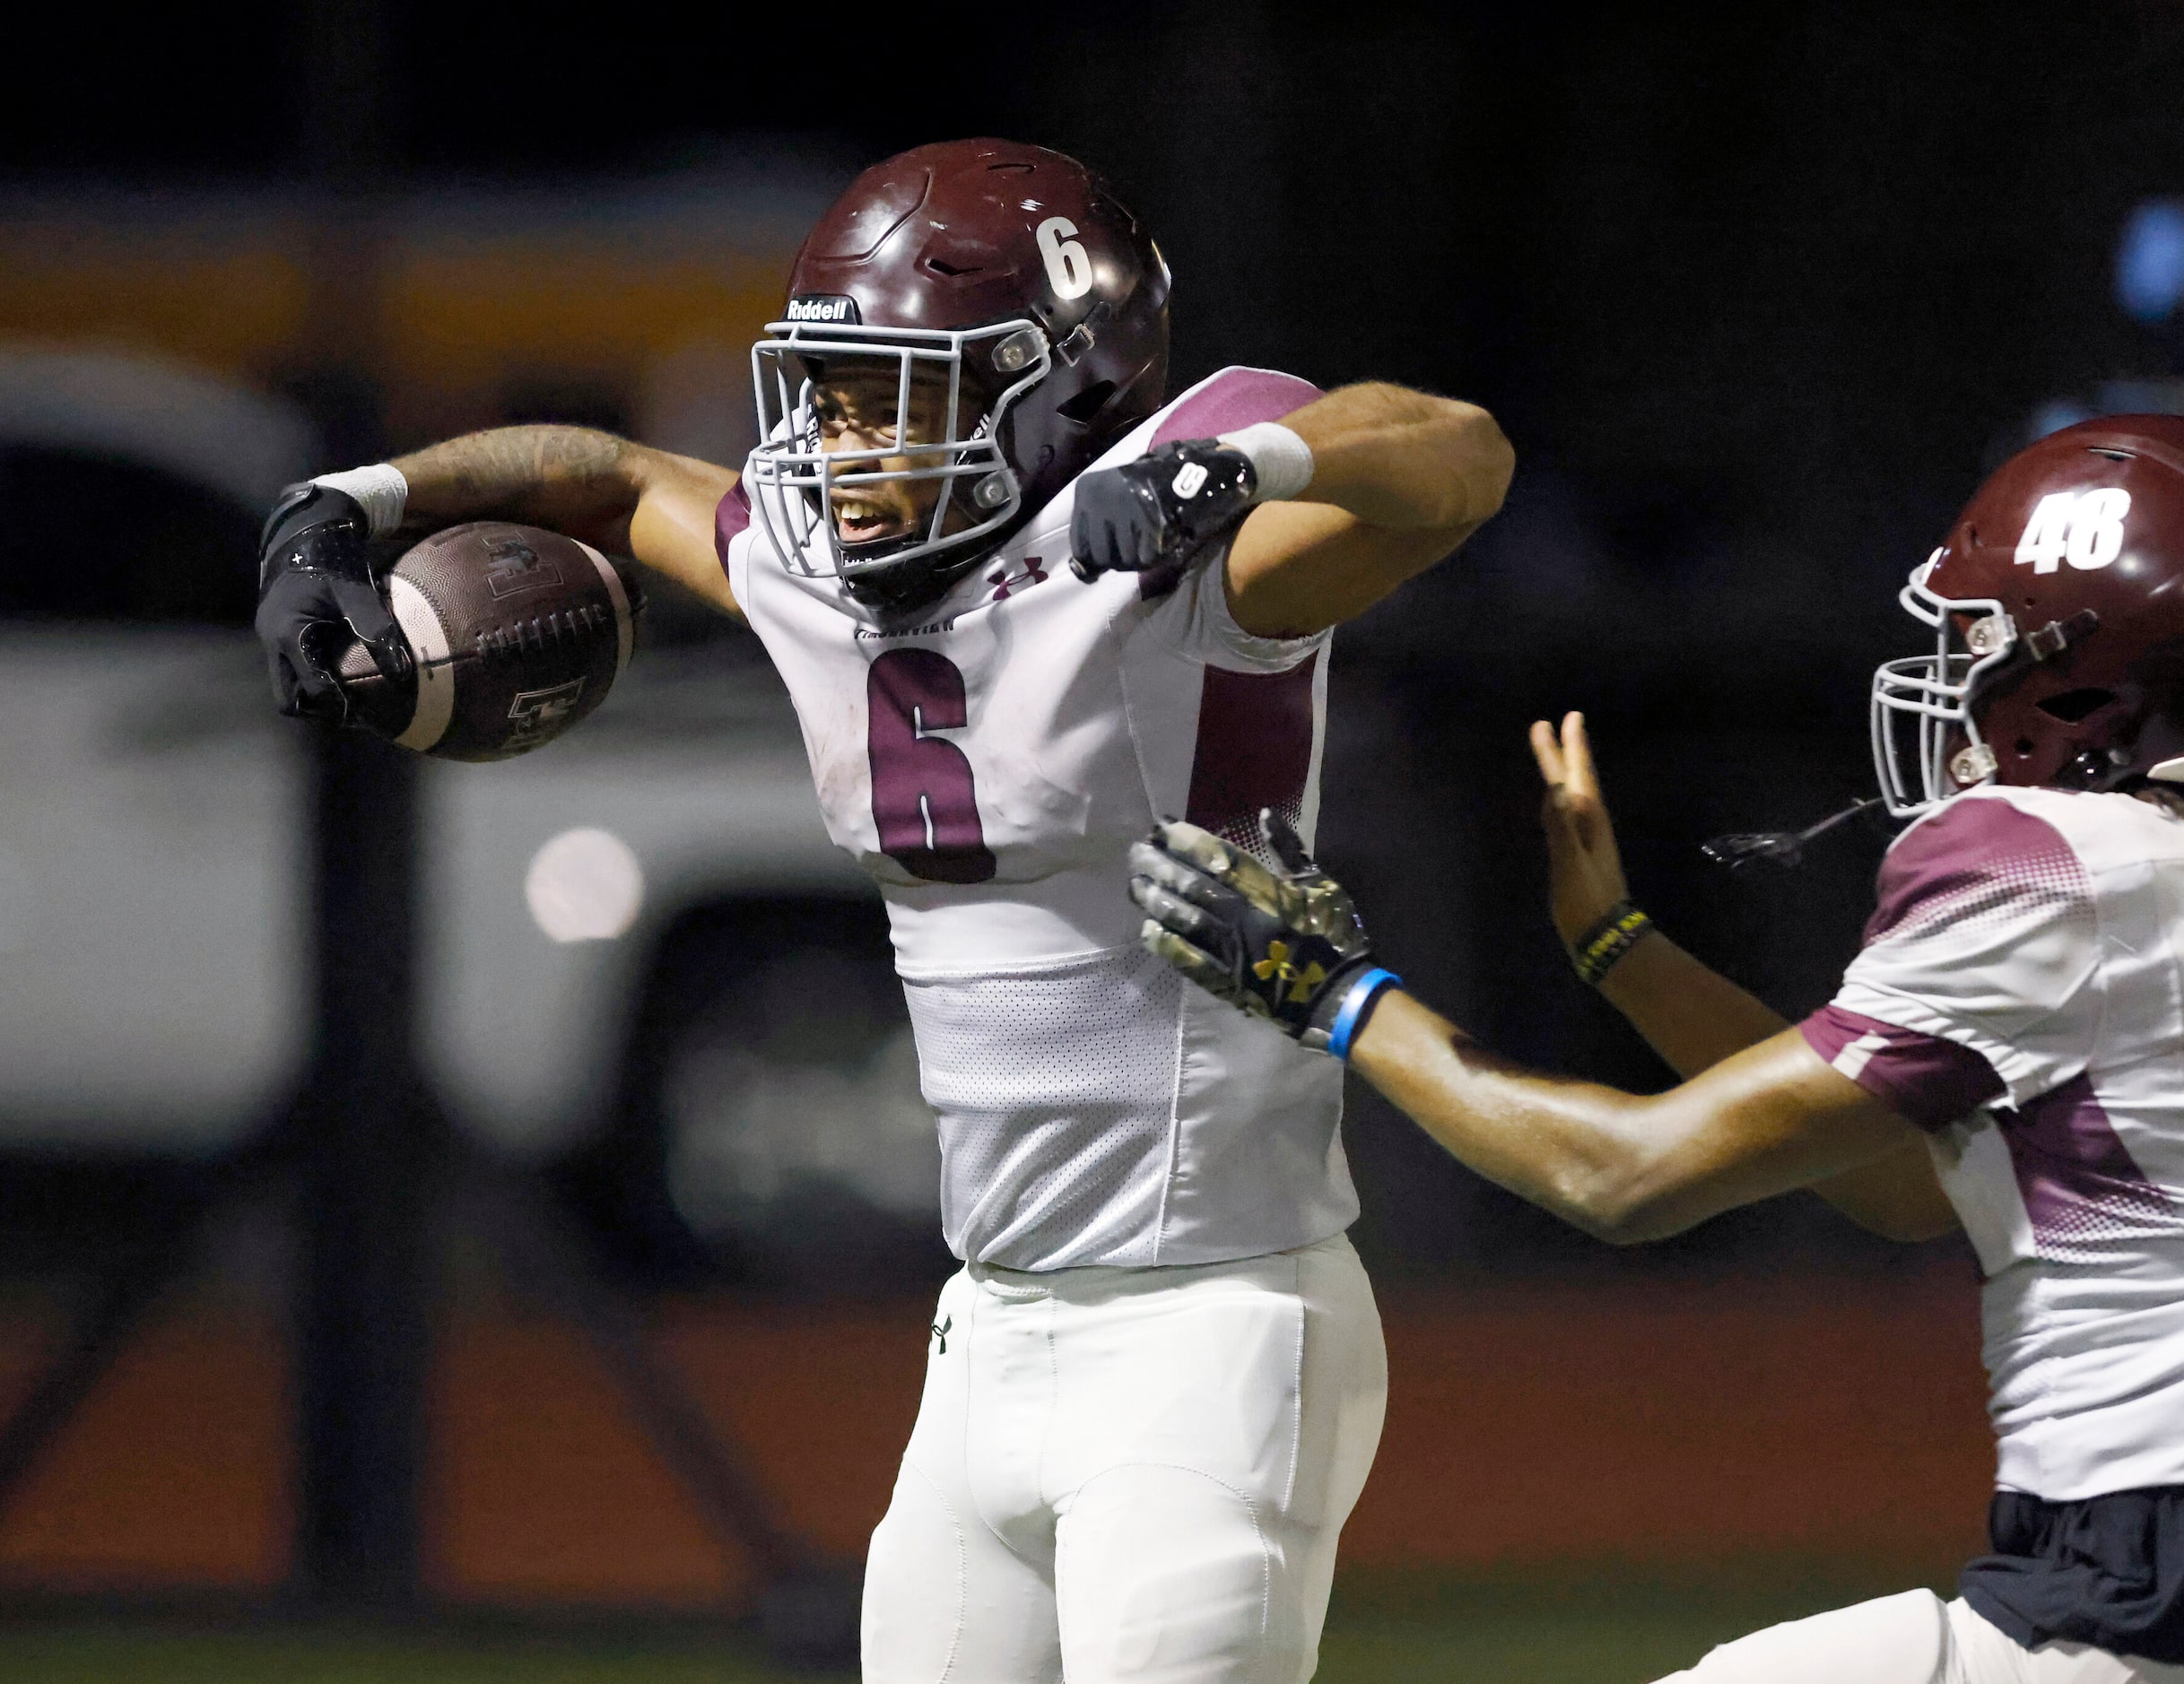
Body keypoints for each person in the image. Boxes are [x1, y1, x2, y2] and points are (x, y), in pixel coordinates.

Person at [252, 138, 1513, 1684]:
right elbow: (608, 472)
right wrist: (346, 500)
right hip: (983, 1330)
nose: (837, 444)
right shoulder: (814, 565)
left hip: (1211, 1321)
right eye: (828, 390)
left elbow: (1457, 454)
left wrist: (1246, 467)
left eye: (884, 395)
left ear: (1060, 385)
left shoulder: (1188, 558)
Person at [1130, 414, 2184, 1684]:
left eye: (1991, 639)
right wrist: (1622, 951)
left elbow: (1622, 1176)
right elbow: (1895, 1182)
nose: (1961, 675)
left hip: (2141, 1584)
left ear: (2101, 673)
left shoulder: (2056, 863)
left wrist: (1328, 989)